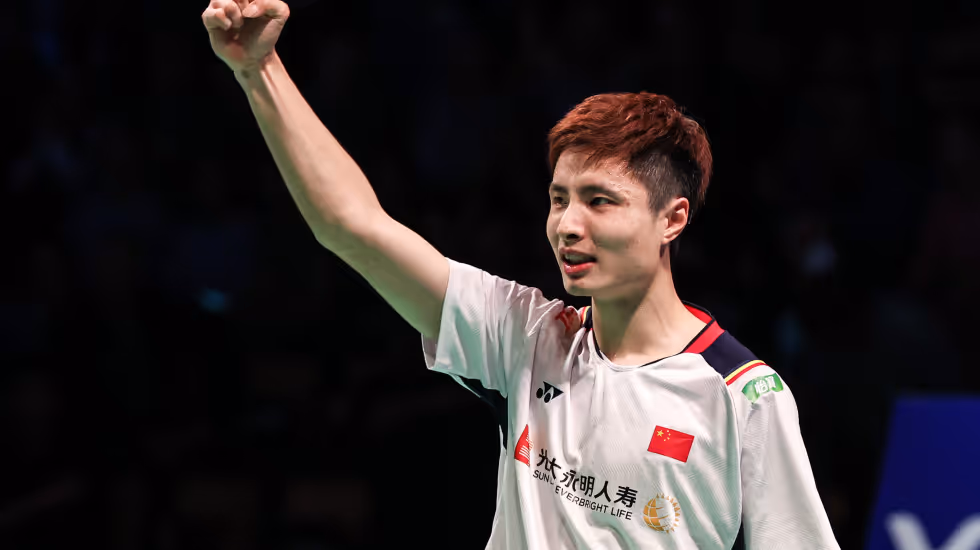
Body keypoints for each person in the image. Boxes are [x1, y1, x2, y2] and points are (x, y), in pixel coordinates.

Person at [201, 1, 840, 548]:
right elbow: (352, 226)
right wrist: (258, 69)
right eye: (559, 199)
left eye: (600, 201)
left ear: (672, 218)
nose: (567, 226)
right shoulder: (527, 338)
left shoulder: (741, 395)